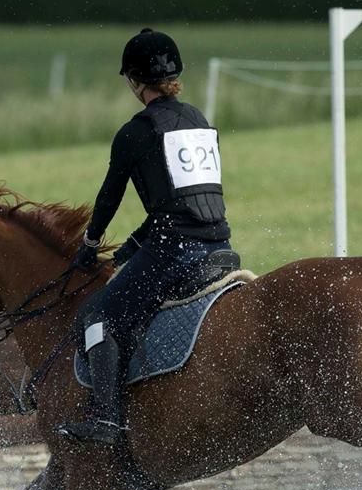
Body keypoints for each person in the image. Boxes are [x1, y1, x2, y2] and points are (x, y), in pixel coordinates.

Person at [57, 28, 232, 446]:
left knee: (97, 317)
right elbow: (180, 205)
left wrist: (90, 246)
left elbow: (108, 199)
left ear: (135, 82)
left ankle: (106, 421)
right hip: (220, 246)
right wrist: (129, 250)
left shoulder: (135, 133)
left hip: (177, 252)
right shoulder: (199, 121)